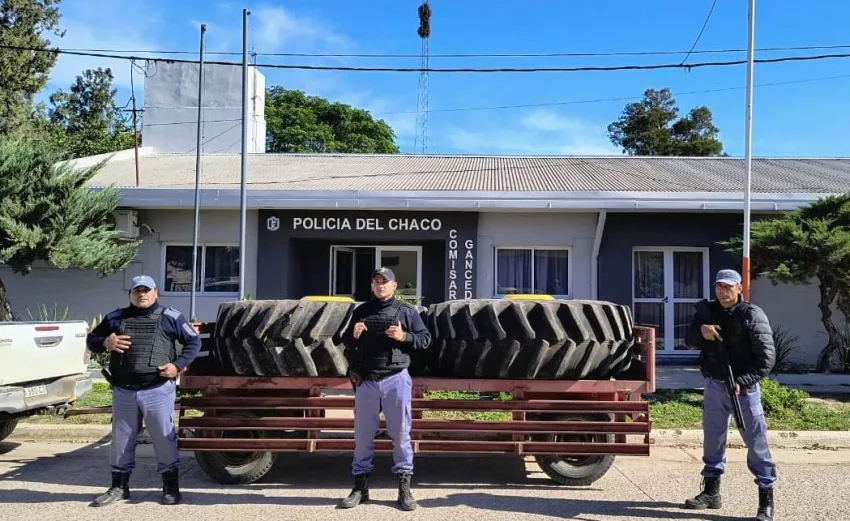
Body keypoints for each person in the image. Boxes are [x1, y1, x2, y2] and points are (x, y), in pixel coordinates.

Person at [85, 275, 202, 507]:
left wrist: (176, 366)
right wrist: (105, 343)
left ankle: (170, 488)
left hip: (157, 389)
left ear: (156, 292)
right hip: (124, 390)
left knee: (164, 438)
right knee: (121, 440)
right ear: (130, 294)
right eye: (137, 290)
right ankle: (119, 487)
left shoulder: (172, 317)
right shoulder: (115, 317)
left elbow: (194, 343)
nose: (142, 294)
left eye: (146, 290)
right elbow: (91, 340)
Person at [683, 269, 777, 521]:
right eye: (718, 287)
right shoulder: (707, 312)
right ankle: (711, 494)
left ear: (739, 289)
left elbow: (766, 358)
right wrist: (700, 333)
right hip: (714, 384)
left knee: (756, 443)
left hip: (744, 390)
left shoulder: (752, 315)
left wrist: (743, 381)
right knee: (713, 440)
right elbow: (688, 341)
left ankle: (765, 502)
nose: (723, 291)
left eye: (728, 286)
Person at [339, 267, 431, 511]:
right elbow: (345, 342)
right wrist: (353, 335)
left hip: (395, 379)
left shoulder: (406, 311)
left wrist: (404, 337)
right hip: (367, 380)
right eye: (376, 281)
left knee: (400, 435)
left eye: (385, 282)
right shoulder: (361, 311)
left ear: (394, 285)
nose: (380, 285)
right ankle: (360, 488)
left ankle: (404, 489)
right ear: (371, 286)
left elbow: (425, 339)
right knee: (362, 437)